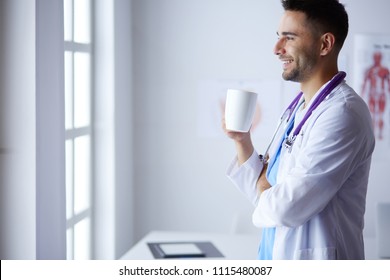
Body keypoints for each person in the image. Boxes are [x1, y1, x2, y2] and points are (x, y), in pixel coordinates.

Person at [223, 0, 375, 260]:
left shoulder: (343, 114)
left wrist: (267, 191)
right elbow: (265, 195)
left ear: (325, 44)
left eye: (289, 38)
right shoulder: (299, 110)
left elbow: (284, 208)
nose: (276, 49)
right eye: (278, 37)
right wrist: (242, 140)